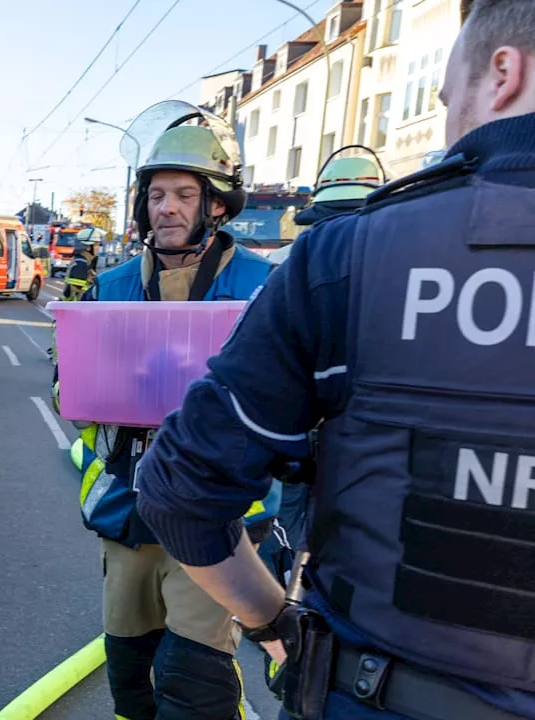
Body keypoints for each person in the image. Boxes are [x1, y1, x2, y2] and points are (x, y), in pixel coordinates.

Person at [134, 3, 535, 718]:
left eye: (447, 99)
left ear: (504, 73)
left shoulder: (352, 257)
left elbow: (182, 487)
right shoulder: (121, 282)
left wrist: (271, 621)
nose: (446, 125)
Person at [53, 100, 278, 720]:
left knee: (193, 676)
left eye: (184, 193)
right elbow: (64, 391)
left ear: (216, 204)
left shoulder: (262, 288)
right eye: (156, 195)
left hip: (219, 511)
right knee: (130, 671)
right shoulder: (111, 287)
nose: (167, 207)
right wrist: (86, 388)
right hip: (129, 505)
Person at [257, 146, 387, 581]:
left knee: (290, 522)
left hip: (299, 428)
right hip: (358, 439)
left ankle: (289, 595)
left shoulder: (287, 262)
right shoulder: (400, 264)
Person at [62, 231, 100, 301]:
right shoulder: (81, 265)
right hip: (78, 308)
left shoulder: (85, 262)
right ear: (88, 247)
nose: (98, 247)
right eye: (96, 245)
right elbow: (72, 293)